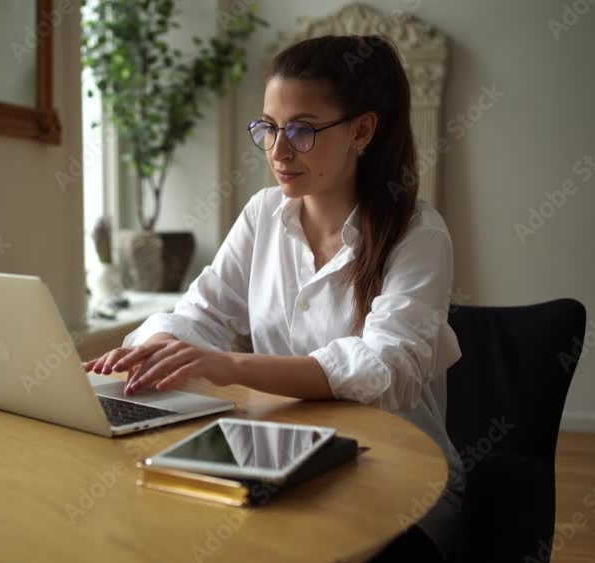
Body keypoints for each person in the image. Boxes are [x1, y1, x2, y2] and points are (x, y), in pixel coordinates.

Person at [83, 35, 464, 562]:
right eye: (268, 127)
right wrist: (156, 346)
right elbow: (203, 311)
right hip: (280, 455)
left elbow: (385, 367)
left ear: (362, 130)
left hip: (398, 475)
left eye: (303, 130)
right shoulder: (263, 214)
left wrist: (231, 364)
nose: (278, 151)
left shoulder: (419, 233)